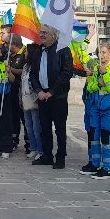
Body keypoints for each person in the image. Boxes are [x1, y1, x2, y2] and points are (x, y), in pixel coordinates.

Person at [29, 25, 73, 169]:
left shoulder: (63, 50)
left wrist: (52, 92)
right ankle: (47, 156)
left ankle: (60, 157)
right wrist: (39, 91)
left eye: (44, 33)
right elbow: (32, 74)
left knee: (60, 128)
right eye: (40, 32)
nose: (41, 35)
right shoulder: (37, 51)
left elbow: (66, 73)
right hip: (42, 95)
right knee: (44, 128)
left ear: (54, 35)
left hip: (57, 96)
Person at [78, 43, 110, 180]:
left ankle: (107, 167)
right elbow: (91, 87)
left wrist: (105, 76)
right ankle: (95, 164)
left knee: (106, 137)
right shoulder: (96, 67)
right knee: (94, 137)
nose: (101, 55)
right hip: (95, 108)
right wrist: (98, 82)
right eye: (100, 52)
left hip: (108, 109)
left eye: (104, 52)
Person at [20, 44, 43, 162]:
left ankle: (40, 149)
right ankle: (32, 147)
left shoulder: (36, 66)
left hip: (34, 99)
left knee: (36, 127)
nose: (24, 53)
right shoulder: (25, 66)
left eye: (26, 51)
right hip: (25, 99)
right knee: (28, 126)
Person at [7, 34, 26, 150]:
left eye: (9, 44)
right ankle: (14, 140)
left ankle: (29, 143)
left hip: (23, 90)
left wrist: (11, 70)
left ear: (15, 44)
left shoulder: (25, 54)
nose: (7, 46)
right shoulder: (10, 55)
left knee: (24, 117)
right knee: (13, 117)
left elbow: (25, 70)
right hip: (12, 90)